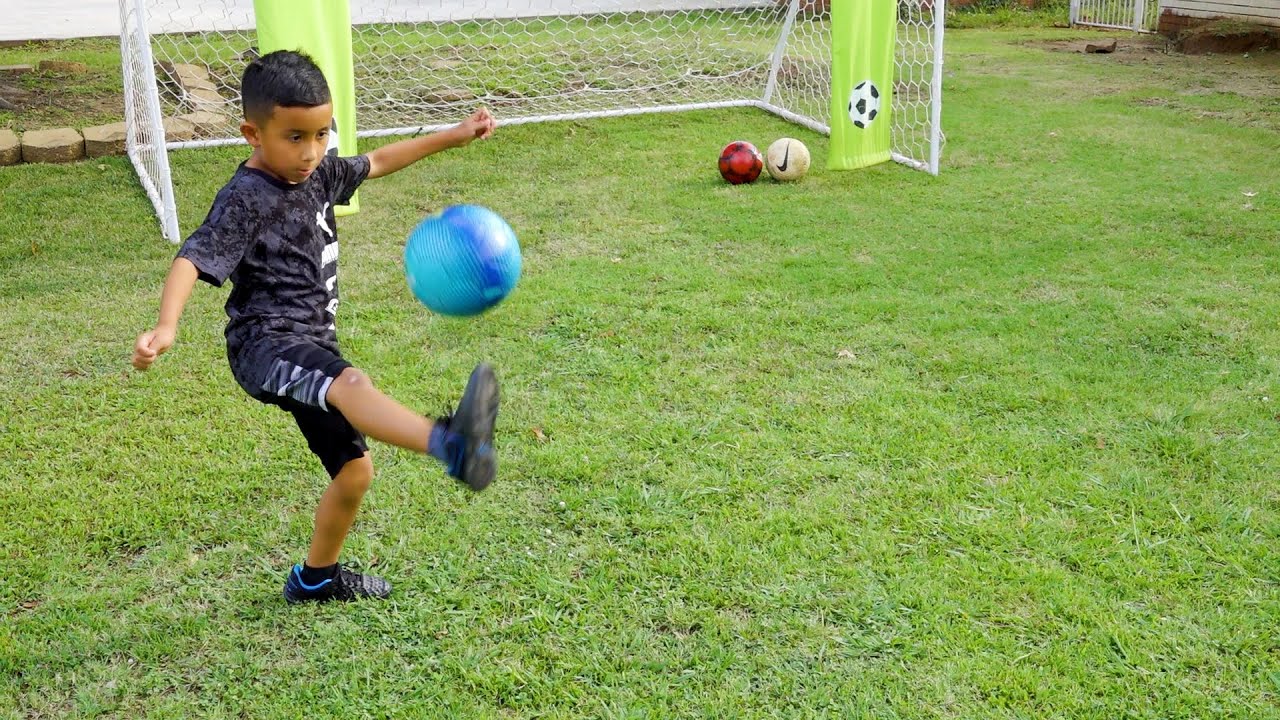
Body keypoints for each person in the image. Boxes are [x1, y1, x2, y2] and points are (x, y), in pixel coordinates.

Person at [131, 50, 499, 604]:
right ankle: (451, 445)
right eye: (295, 137)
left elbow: (375, 161)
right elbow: (193, 256)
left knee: (354, 471)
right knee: (351, 386)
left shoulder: (320, 172)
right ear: (252, 133)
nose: (311, 152)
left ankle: (314, 579)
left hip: (311, 341)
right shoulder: (246, 197)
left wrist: (454, 134)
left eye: (322, 134)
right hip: (267, 347)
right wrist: (167, 325)